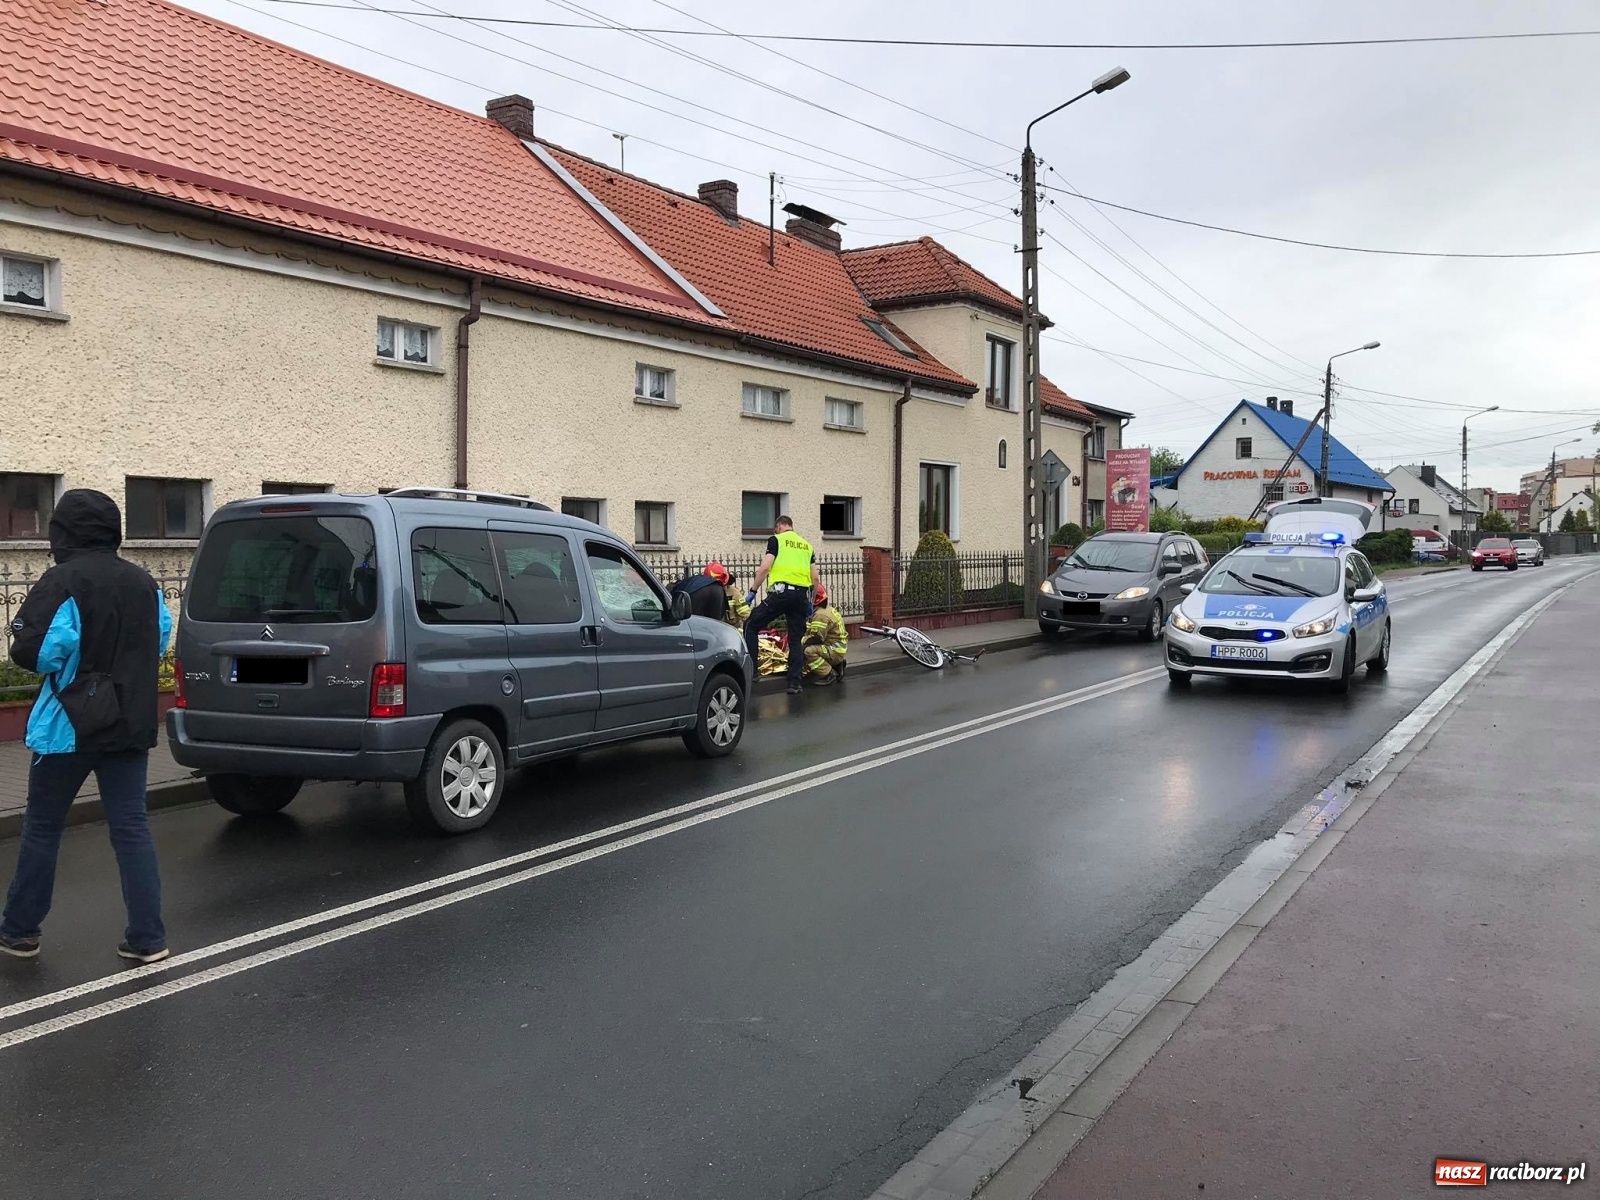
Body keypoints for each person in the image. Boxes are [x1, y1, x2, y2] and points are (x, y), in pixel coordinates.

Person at [1, 489, 174, 963]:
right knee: (131, 828)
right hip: (130, 721)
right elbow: (158, 639)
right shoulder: (144, 583)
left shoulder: (62, 581)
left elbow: (33, 654)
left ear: (63, 532)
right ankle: (147, 937)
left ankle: (20, 931)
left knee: (42, 827)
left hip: (68, 727)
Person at [744, 515, 814, 694]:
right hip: (801, 596)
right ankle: (794, 683)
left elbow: (765, 568)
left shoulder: (776, 540)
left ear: (779, 526)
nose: (776, 531)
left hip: (781, 594)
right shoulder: (807, 546)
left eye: (776, 529)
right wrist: (810, 602)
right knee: (795, 639)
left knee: (751, 625)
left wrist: (753, 591)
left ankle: (752, 673)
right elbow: (816, 578)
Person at [802, 583, 848, 685]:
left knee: (807, 651)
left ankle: (827, 674)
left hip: (833, 649)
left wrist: (799, 640)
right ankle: (837, 665)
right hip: (835, 648)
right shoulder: (824, 610)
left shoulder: (820, 615)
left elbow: (816, 638)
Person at [712, 563, 750, 630]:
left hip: (732, 630)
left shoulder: (734, 593)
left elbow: (746, 616)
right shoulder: (706, 594)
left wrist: (740, 633)